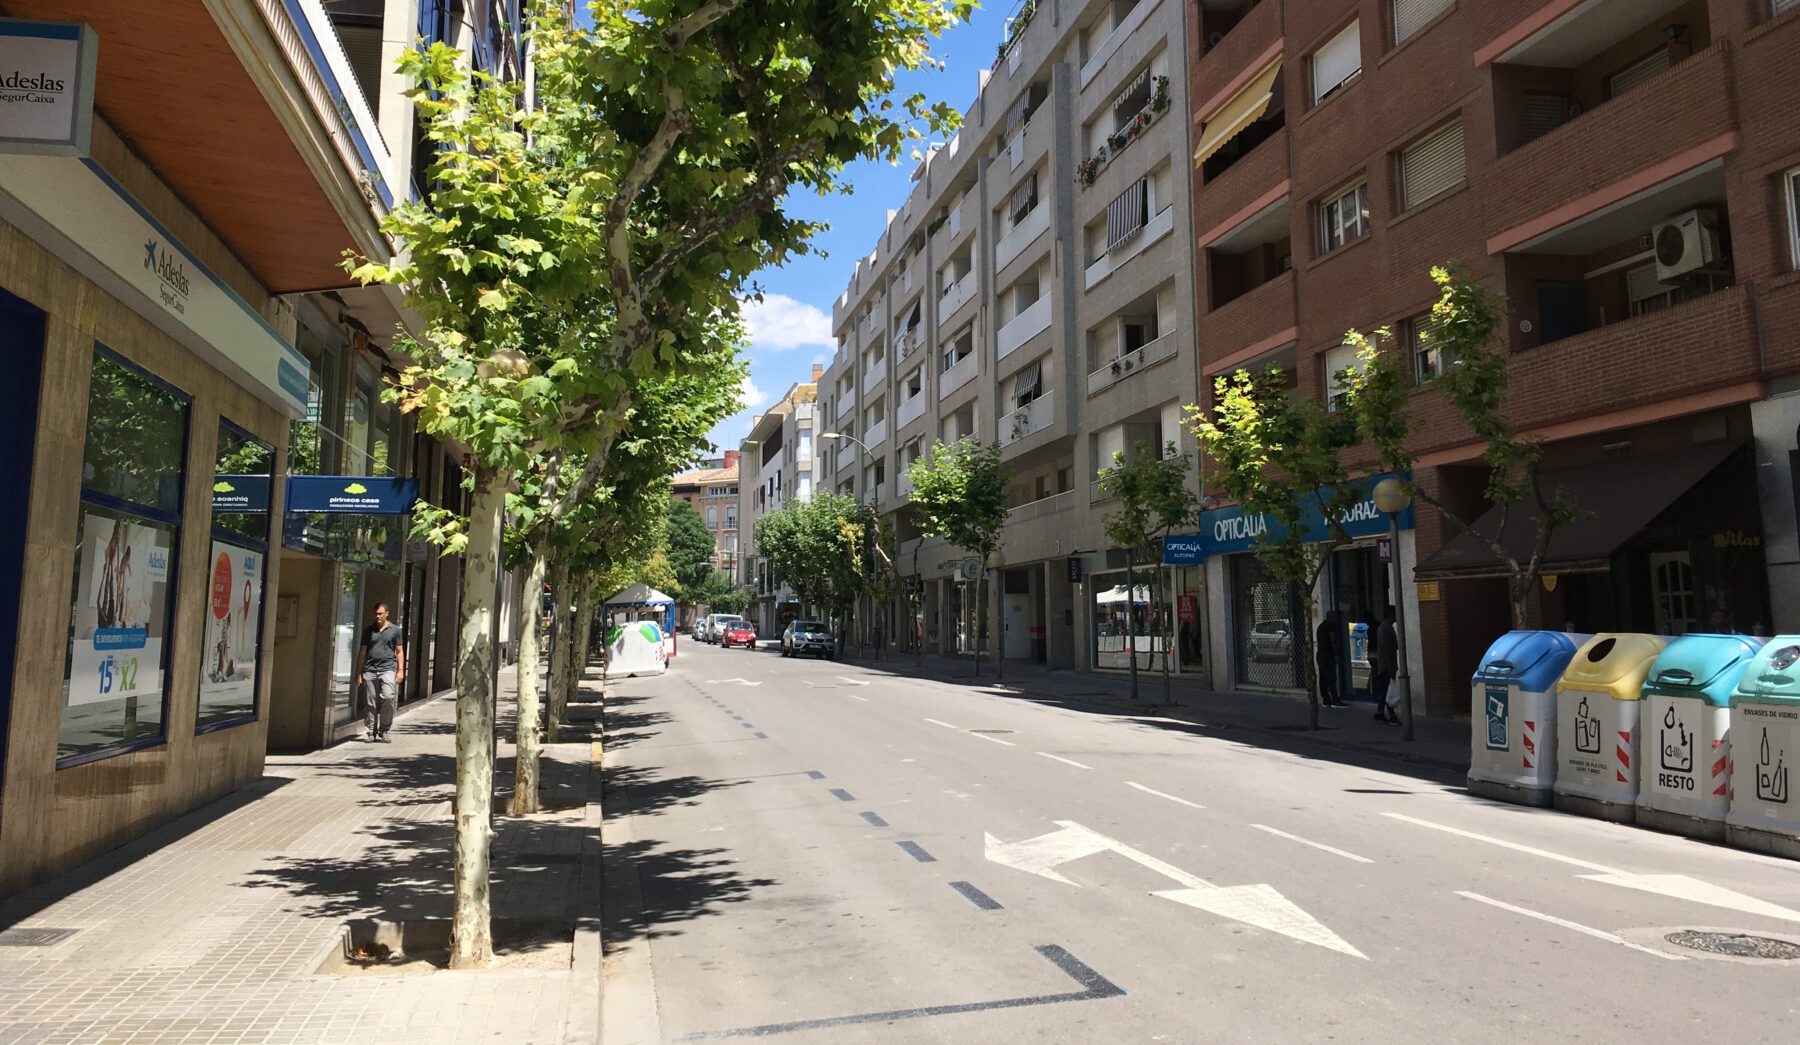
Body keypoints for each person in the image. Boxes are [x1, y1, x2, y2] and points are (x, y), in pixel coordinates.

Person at [352, 602, 405, 742]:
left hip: (387, 669)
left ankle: (384, 730)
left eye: (380, 613)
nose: (378, 616)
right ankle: (370, 731)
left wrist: (400, 671)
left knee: (388, 697)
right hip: (370, 670)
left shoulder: (395, 630)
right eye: (376, 613)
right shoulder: (369, 631)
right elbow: (362, 652)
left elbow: (399, 652)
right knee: (371, 702)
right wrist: (358, 672)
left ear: (387, 613)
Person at [1375, 605, 1401, 725]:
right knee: (1388, 690)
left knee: (1385, 690)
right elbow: (1385, 649)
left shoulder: (1387, 628)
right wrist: (1389, 667)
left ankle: (1380, 712)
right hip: (1387, 665)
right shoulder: (1384, 629)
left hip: (1388, 664)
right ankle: (1392, 715)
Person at [1315, 610, 1347, 708]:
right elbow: (1333, 640)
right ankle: (1335, 700)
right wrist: (1336, 654)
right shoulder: (1331, 626)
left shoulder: (1321, 626)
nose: (1337, 619)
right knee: (1332, 678)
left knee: (1323, 678)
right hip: (1327, 655)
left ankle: (1326, 699)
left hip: (1321, 654)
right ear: (1332, 617)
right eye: (1335, 617)